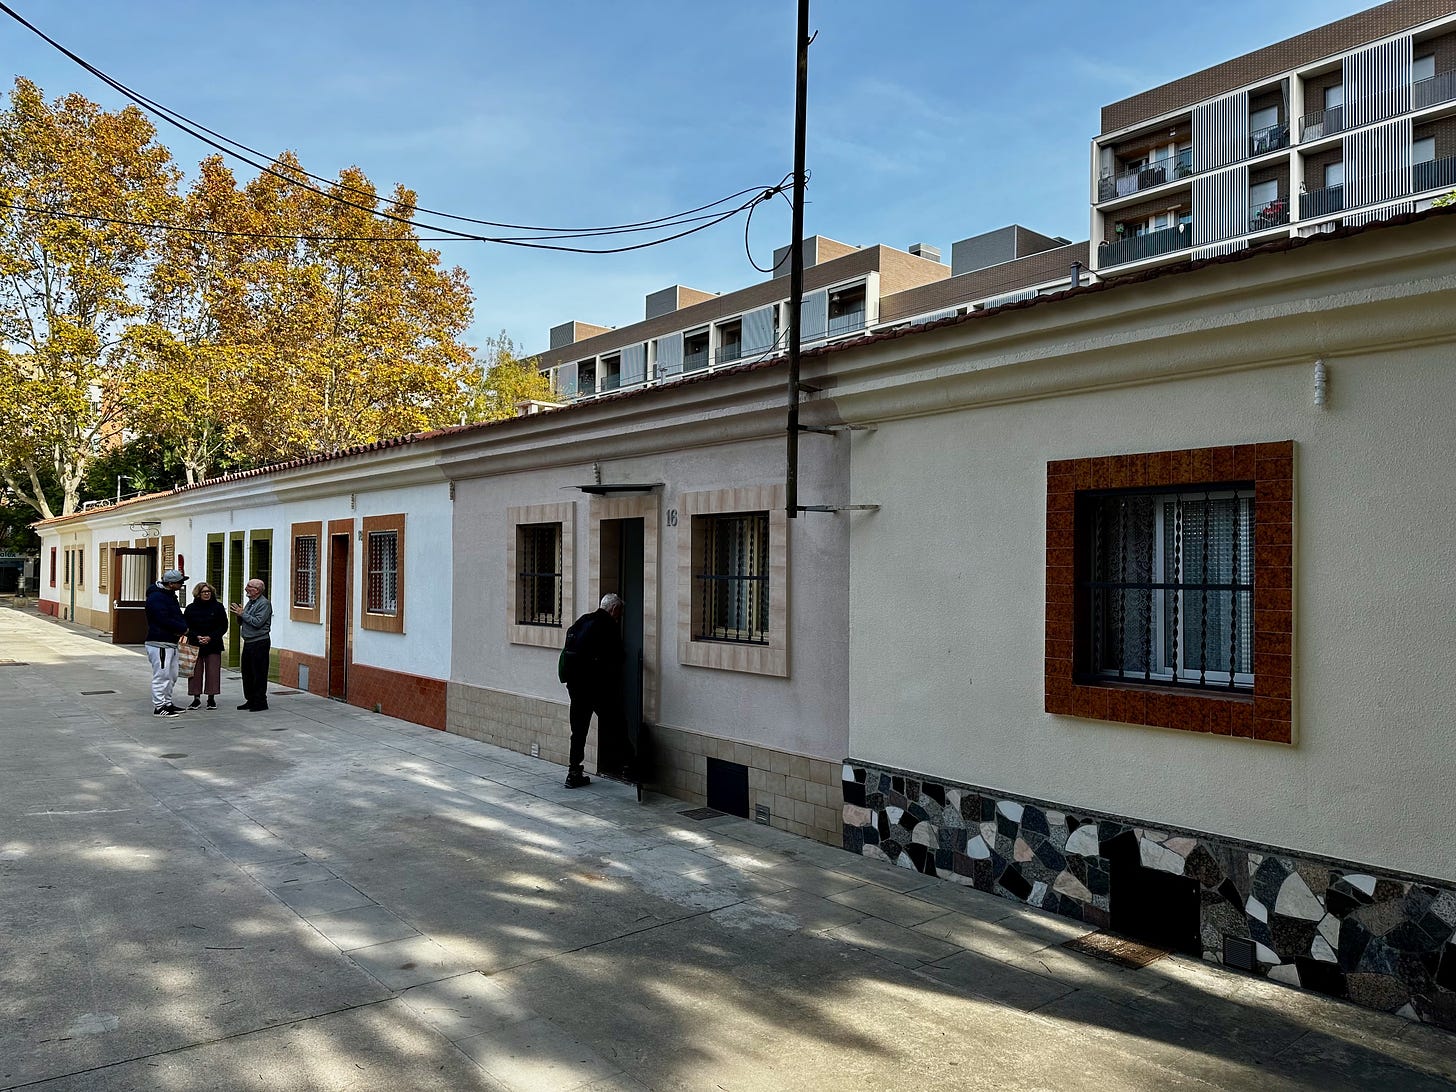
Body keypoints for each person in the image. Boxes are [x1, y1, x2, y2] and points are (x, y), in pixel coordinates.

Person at [559, 593, 631, 788]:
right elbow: (618, 657)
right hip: (598, 688)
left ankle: (573, 773)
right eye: (620, 612)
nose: (620, 616)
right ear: (614, 609)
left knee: (578, 731)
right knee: (616, 724)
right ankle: (629, 766)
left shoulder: (582, 621)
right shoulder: (608, 626)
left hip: (576, 687)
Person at [144, 569, 190, 717]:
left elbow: (176, 615)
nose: (182, 584)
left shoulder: (169, 595)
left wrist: (183, 627)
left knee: (172, 675)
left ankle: (167, 703)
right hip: (159, 642)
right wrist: (183, 628)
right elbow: (162, 619)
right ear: (171, 584)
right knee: (162, 675)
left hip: (170, 641)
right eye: (180, 582)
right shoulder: (157, 597)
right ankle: (159, 706)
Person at [229, 578, 272, 712]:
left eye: (249, 586)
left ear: (257, 590)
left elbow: (258, 622)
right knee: (247, 673)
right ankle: (251, 699)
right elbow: (244, 621)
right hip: (248, 642)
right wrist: (239, 614)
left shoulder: (264, 604)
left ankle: (260, 701)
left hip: (259, 642)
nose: (246, 589)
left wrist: (243, 613)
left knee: (258, 672)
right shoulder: (250, 603)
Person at [182, 582, 227, 709]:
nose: (207, 594)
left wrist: (210, 637)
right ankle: (196, 698)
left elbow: (223, 626)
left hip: (213, 644)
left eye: (209, 592)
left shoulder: (218, 607)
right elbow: (186, 626)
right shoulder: (191, 608)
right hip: (195, 644)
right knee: (195, 673)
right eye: (204, 592)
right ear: (198, 594)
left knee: (212, 671)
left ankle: (211, 698)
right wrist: (196, 636)